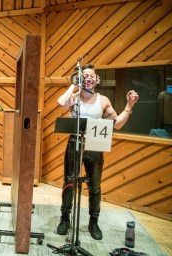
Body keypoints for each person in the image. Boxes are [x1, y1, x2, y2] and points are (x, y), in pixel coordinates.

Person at [56, 64, 139, 240]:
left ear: (97, 80)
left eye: (91, 76)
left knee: (94, 187)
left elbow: (117, 124)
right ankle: (65, 219)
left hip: (95, 145)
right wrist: (74, 83)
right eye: (84, 75)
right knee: (69, 183)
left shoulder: (103, 100)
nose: (88, 78)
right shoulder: (74, 97)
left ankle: (93, 222)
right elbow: (61, 103)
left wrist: (129, 105)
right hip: (75, 142)